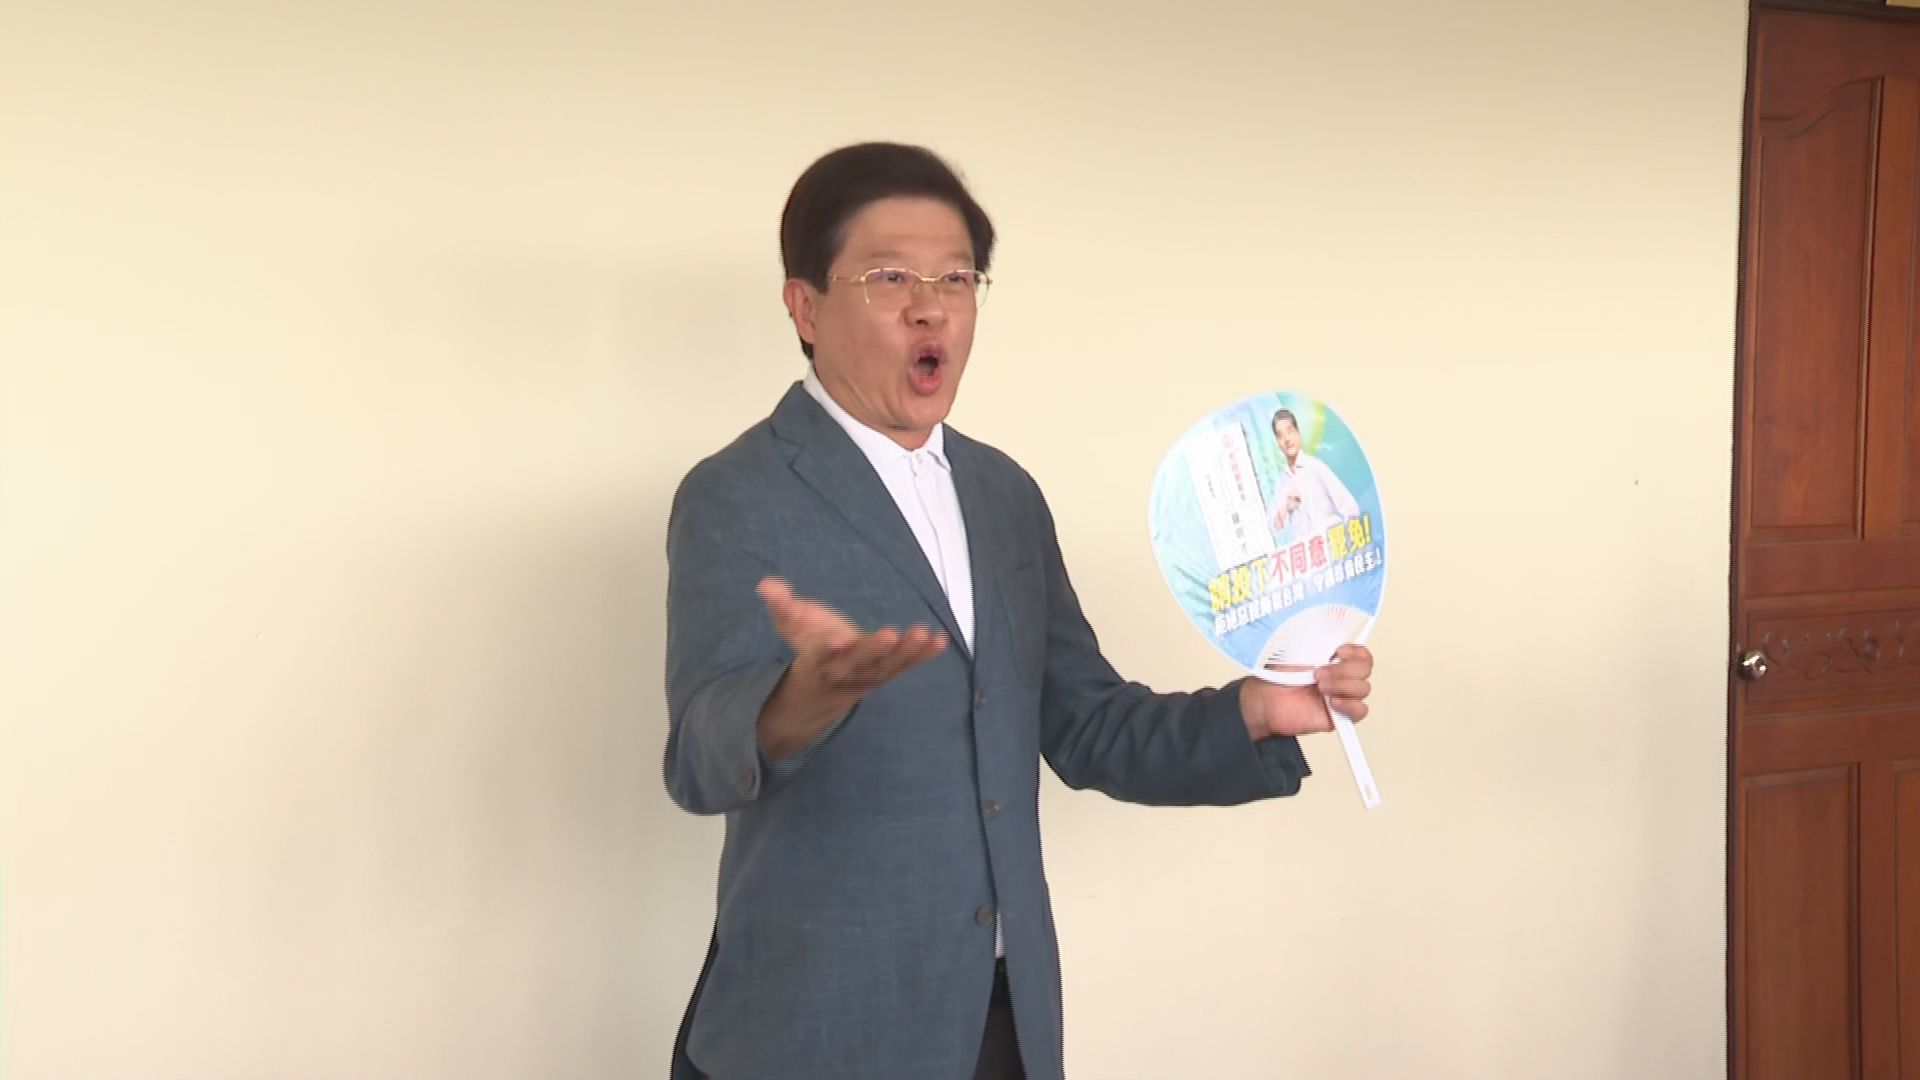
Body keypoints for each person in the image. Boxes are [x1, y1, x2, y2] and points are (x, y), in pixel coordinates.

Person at [662, 142, 1376, 1080]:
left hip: (1001, 1019)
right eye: (889, 277)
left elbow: (1088, 726)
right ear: (805, 305)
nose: (931, 305)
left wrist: (1259, 710)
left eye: (956, 278)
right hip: (818, 1029)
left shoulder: (1004, 497)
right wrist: (804, 696)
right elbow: (698, 758)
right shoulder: (738, 493)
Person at [1266, 407, 1361, 544]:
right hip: (1309, 553)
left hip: (1331, 546)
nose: (1286, 439)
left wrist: (1346, 542)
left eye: (1290, 431)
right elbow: (1273, 526)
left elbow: (1350, 507)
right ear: (1277, 442)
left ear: (1298, 433)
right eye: (1280, 435)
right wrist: (1286, 506)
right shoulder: (1282, 482)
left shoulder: (1315, 467)